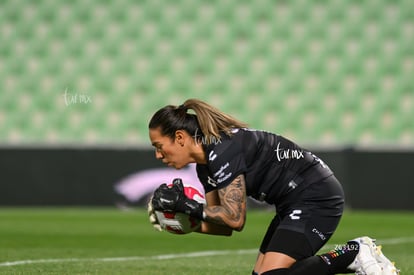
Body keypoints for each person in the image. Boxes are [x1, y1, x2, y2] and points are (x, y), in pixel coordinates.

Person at [147, 98, 399, 275]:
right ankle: (356, 257)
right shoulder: (207, 165)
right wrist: (185, 223)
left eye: (159, 146)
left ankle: (353, 253)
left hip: (316, 196)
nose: (159, 155)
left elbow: (234, 218)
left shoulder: (221, 150)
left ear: (180, 138)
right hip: (294, 202)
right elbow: (223, 226)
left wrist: (186, 205)